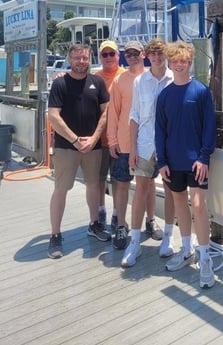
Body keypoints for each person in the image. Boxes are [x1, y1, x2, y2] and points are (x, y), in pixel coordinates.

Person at [155, 40, 217, 288]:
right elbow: (160, 131)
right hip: (172, 161)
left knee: (199, 206)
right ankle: (187, 249)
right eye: (176, 61)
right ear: (170, 63)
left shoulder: (201, 92)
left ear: (190, 63)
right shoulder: (164, 95)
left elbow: (209, 128)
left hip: (196, 162)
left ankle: (205, 259)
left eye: (184, 61)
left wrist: (204, 157)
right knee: (180, 204)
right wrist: (162, 161)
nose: (180, 64)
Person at [47, 43, 111, 259]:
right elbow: (54, 116)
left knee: (94, 185)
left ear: (89, 58)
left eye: (84, 57)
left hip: (93, 146)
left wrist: (93, 139)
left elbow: (105, 113)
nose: (81, 61)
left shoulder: (98, 83)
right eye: (76, 57)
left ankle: (94, 224)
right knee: (61, 189)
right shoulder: (60, 84)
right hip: (67, 147)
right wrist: (75, 140)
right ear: (69, 58)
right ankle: (55, 235)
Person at [121, 38, 175, 267]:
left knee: (172, 190)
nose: (157, 57)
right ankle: (134, 242)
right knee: (141, 190)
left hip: (170, 144)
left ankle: (169, 238)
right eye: (153, 54)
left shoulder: (175, 78)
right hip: (144, 143)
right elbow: (133, 116)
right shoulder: (140, 81)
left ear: (166, 55)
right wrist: (132, 148)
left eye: (160, 53)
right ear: (147, 56)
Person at [107, 41, 146, 250]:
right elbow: (112, 112)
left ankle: (149, 221)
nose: (132, 56)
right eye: (128, 53)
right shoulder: (119, 80)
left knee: (145, 185)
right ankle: (121, 225)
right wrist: (112, 140)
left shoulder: (151, 77)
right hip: (123, 142)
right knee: (122, 184)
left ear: (143, 54)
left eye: (135, 53)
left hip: (146, 143)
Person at [95, 40, 126, 231]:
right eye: (104, 54)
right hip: (99, 139)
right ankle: (100, 211)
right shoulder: (95, 77)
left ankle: (117, 213)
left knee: (118, 180)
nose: (108, 57)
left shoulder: (125, 76)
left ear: (118, 55)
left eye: (111, 54)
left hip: (121, 140)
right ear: (100, 57)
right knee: (98, 179)